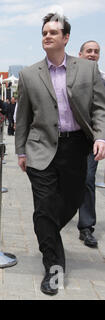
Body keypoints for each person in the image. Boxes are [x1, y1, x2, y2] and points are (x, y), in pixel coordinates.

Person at [15, 13, 105, 296]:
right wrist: (20, 151)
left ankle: (49, 234)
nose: (47, 36)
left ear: (66, 38)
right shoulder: (29, 75)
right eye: (44, 32)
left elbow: (99, 108)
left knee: (73, 200)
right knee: (43, 209)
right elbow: (23, 118)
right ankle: (53, 266)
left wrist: (100, 135)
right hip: (40, 148)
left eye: (54, 32)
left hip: (76, 147)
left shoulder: (89, 71)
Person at [77, 40, 105, 248]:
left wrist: (101, 137)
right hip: (69, 138)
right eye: (89, 51)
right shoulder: (71, 77)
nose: (92, 54)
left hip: (92, 140)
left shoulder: (103, 80)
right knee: (64, 180)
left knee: (88, 179)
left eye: (96, 51)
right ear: (80, 54)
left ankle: (86, 226)